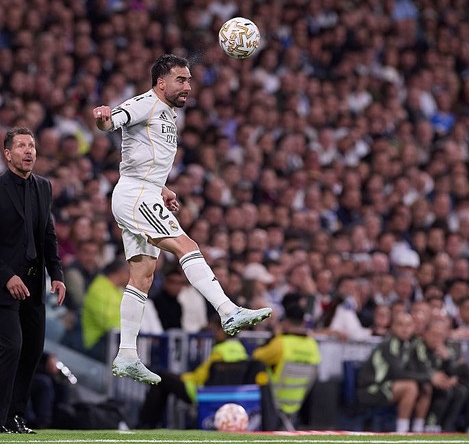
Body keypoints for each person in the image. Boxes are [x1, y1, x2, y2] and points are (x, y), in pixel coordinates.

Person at [92, 54, 271, 384]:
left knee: (142, 276)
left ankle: (127, 354)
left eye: (189, 80)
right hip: (136, 194)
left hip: (143, 191)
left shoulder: (168, 114)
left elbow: (142, 158)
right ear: (161, 83)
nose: (188, 86)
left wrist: (162, 188)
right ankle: (228, 311)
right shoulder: (144, 104)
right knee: (186, 245)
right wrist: (104, 118)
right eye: (181, 80)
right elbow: (112, 121)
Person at [0, 126, 66, 434]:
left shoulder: (44, 187)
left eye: (32, 146)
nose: (29, 151)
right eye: (22, 146)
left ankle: (15, 416)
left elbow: (48, 235)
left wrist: (57, 274)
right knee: (11, 347)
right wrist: (7, 276)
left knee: (32, 351)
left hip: (35, 285)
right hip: (5, 285)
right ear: (7, 154)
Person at [138, 316, 249, 428]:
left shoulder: (220, 351)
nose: (215, 333)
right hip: (228, 393)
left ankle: (147, 423)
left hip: (200, 392)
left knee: (160, 378)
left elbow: (201, 376)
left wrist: (183, 377)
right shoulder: (241, 349)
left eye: (217, 329)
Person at [356, 312, 436, 433]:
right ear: (393, 327)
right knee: (410, 387)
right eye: (400, 325)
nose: (405, 329)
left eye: (408, 325)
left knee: (425, 386)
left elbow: (415, 369)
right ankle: (402, 430)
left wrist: (429, 377)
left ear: (413, 328)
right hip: (372, 388)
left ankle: (418, 429)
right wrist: (430, 377)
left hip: (390, 386)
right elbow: (398, 373)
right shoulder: (388, 344)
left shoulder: (409, 345)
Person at [252, 294, 320, 429]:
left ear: (286, 322)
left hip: (275, 399)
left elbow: (256, 357)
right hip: (298, 401)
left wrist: (275, 335)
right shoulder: (312, 345)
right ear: (303, 322)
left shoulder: (281, 343)